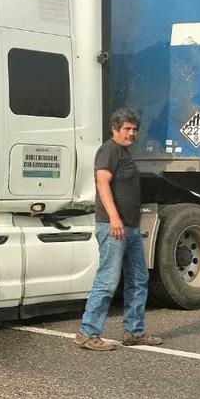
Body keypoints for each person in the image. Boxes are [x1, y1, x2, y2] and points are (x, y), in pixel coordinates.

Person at [75, 108, 164, 351]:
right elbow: (102, 183)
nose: (131, 133)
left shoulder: (124, 153)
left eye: (134, 129)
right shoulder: (109, 150)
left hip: (130, 229)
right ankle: (87, 332)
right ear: (114, 129)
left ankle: (134, 332)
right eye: (127, 128)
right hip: (113, 227)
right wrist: (114, 219)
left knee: (138, 279)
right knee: (107, 280)